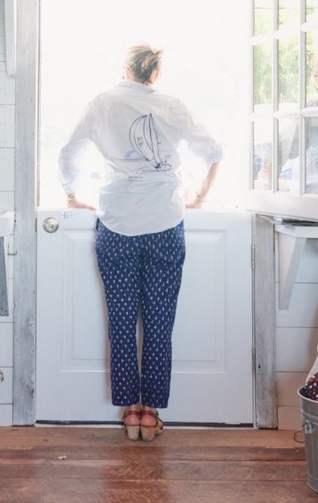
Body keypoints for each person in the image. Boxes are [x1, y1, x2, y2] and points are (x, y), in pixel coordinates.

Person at [58, 44, 222, 441]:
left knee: (120, 321)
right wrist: (199, 197)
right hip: (166, 221)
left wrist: (70, 195)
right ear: (156, 74)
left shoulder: (102, 103)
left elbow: (68, 154)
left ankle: (129, 409)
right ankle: (151, 412)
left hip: (116, 223)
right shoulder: (173, 106)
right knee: (160, 323)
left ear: (124, 70)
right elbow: (214, 152)